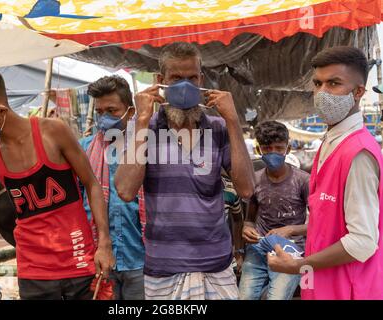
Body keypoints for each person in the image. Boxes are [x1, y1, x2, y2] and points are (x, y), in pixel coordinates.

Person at [0, 69, 114, 300]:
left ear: (1, 106)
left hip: (79, 260)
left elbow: (92, 184)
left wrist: (104, 244)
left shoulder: (52, 132)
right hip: (34, 272)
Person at [114, 42, 255, 300]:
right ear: (161, 81)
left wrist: (233, 121)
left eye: (192, 77)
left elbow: (246, 188)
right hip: (165, 266)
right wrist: (143, 120)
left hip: (216, 263)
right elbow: (124, 190)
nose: (185, 85)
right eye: (176, 78)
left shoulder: (219, 127)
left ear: (202, 79)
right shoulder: (145, 130)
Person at [268, 46, 383, 300]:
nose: (322, 93)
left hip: (348, 288)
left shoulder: (358, 154)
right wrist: (296, 230)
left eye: (334, 83)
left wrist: (297, 266)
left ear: (358, 92)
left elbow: (362, 242)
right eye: (317, 83)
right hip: (322, 286)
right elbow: (331, 218)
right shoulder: (330, 143)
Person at [79, 76, 146, 300]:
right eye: (100, 112)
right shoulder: (84, 149)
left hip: (141, 258)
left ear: (130, 111)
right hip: (98, 258)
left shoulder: (146, 147)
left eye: (112, 110)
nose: (105, 118)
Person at [239, 121, 309, 300]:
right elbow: (249, 218)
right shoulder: (254, 180)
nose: (273, 153)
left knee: (277, 297)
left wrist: (292, 229)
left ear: (288, 148)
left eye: (279, 148)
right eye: (267, 148)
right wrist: (247, 228)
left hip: (291, 250)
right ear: (259, 150)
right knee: (244, 297)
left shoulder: (303, 181)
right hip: (259, 248)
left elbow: (319, 223)